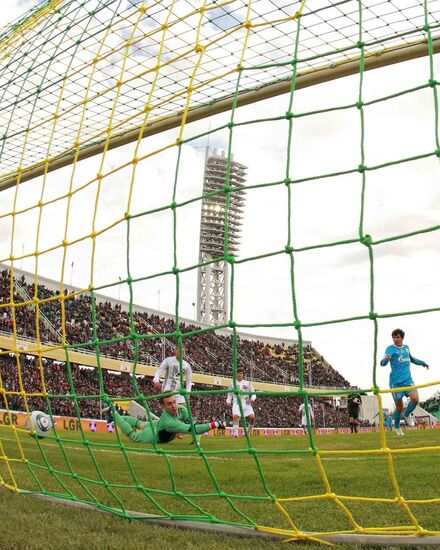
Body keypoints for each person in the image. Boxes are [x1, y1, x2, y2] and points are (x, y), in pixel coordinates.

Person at [109, 395, 225, 444]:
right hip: (155, 434)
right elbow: (193, 429)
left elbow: (192, 422)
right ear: (164, 407)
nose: (174, 406)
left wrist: (197, 441)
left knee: (141, 424)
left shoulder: (181, 409)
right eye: (169, 404)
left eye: (174, 402)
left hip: (157, 423)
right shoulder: (169, 422)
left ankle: (117, 416)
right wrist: (215, 424)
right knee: (134, 437)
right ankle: (114, 414)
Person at [380, 328, 429, 436]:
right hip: (395, 382)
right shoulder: (390, 349)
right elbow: (382, 363)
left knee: (415, 399)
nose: (395, 339)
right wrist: (386, 360)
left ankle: (407, 415)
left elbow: (412, 359)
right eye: (394, 337)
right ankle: (397, 427)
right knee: (399, 407)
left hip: (408, 380)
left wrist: (422, 363)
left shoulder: (406, 348)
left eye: (397, 337)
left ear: (402, 338)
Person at [152, 346, 199, 444]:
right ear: (175, 351)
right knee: (167, 414)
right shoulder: (168, 360)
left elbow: (189, 382)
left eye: (183, 351)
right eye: (179, 350)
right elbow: (160, 370)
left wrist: (188, 393)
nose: (181, 352)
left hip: (179, 394)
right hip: (167, 392)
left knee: (185, 414)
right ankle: (165, 433)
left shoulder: (187, 365)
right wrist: (156, 380)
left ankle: (193, 436)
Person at [226, 369, 256, 437]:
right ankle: (235, 434)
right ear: (236, 374)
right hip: (237, 402)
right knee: (235, 417)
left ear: (243, 375)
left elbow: (254, 394)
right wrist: (228, 401)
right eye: (238, 373)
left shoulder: (248, 383)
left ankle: (247, 432)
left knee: (252, 417)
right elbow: (229, 394)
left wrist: (252, 399)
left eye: (241, 373)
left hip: (246, 402)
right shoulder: (232, 384)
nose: (240, 374)